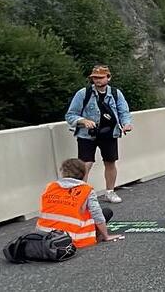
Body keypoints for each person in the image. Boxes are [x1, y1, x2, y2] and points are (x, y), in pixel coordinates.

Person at [64, 65, 132, 204]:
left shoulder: (115, 93)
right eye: (95, 78)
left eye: (101, 78)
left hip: (109, 132)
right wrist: (83, 121)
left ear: (108, 77)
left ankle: (110, 192)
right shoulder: (83, 93)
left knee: (110, 162)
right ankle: (81, 194)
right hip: (87, 134)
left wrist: (126, 124)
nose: (97, 81)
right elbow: (70, 115)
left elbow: (123, 111)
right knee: (85, 164)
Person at [37, 158, 123, 248]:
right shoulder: (86, 189)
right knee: (106, 212)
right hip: (73, 238)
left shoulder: (50, 186)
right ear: (84, 173)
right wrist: (106, 236)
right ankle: (97, 234)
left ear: (63, 172)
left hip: (44, 236)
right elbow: (97, 214)